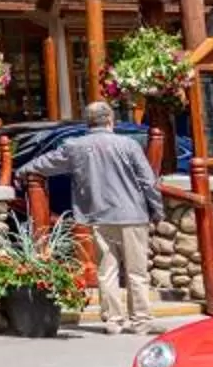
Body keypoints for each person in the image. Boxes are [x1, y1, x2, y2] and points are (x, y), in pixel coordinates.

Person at [18, 101, 165, 334]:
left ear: (88, 122)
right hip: (132, 215)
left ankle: (113, 321)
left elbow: (45, 163)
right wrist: (157, 210)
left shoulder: (75, 146)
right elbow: (148, 181)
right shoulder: (129, 145)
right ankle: (141, 321)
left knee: (107, 271)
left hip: (98, 215)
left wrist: (22, 170)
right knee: (137, 272)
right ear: (110, 120)